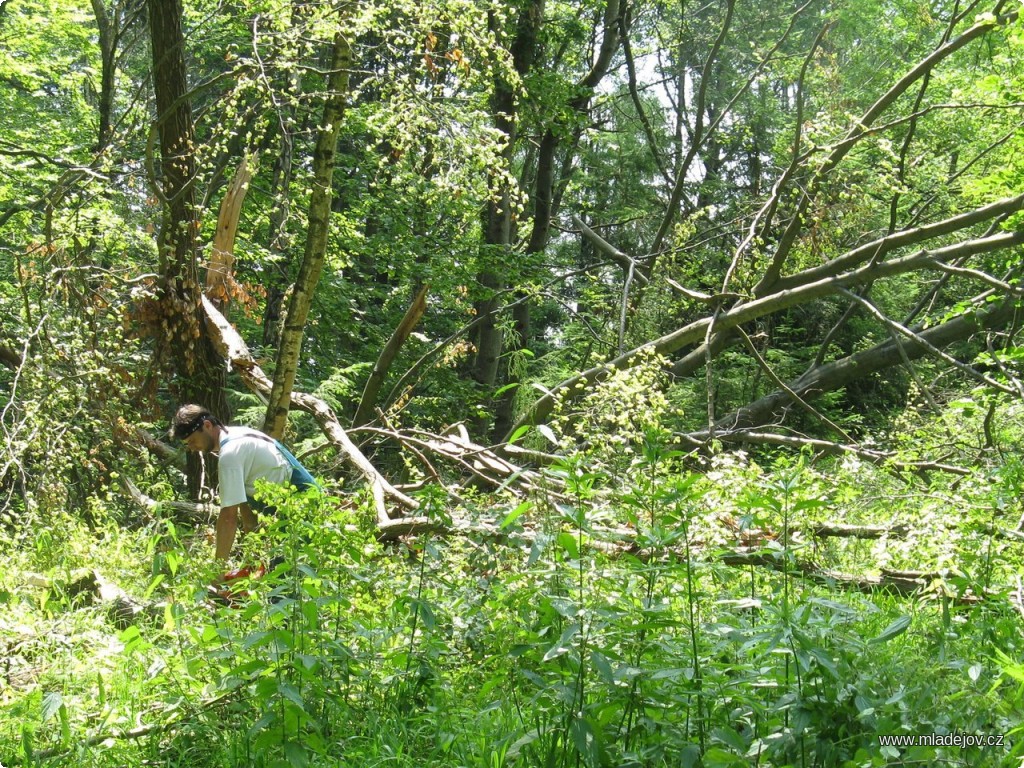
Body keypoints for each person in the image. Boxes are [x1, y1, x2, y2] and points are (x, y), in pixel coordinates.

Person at [170, 404, 318, 563]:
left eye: (192, 441)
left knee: (286, 577)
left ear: (207, 426)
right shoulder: (236, 435)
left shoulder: (230, 454)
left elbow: (228, 518)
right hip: (296, 500)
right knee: (274, 570)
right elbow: (246, 511)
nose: (191, 448)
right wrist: (251, 557)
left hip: (300, 503)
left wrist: (218, 572)